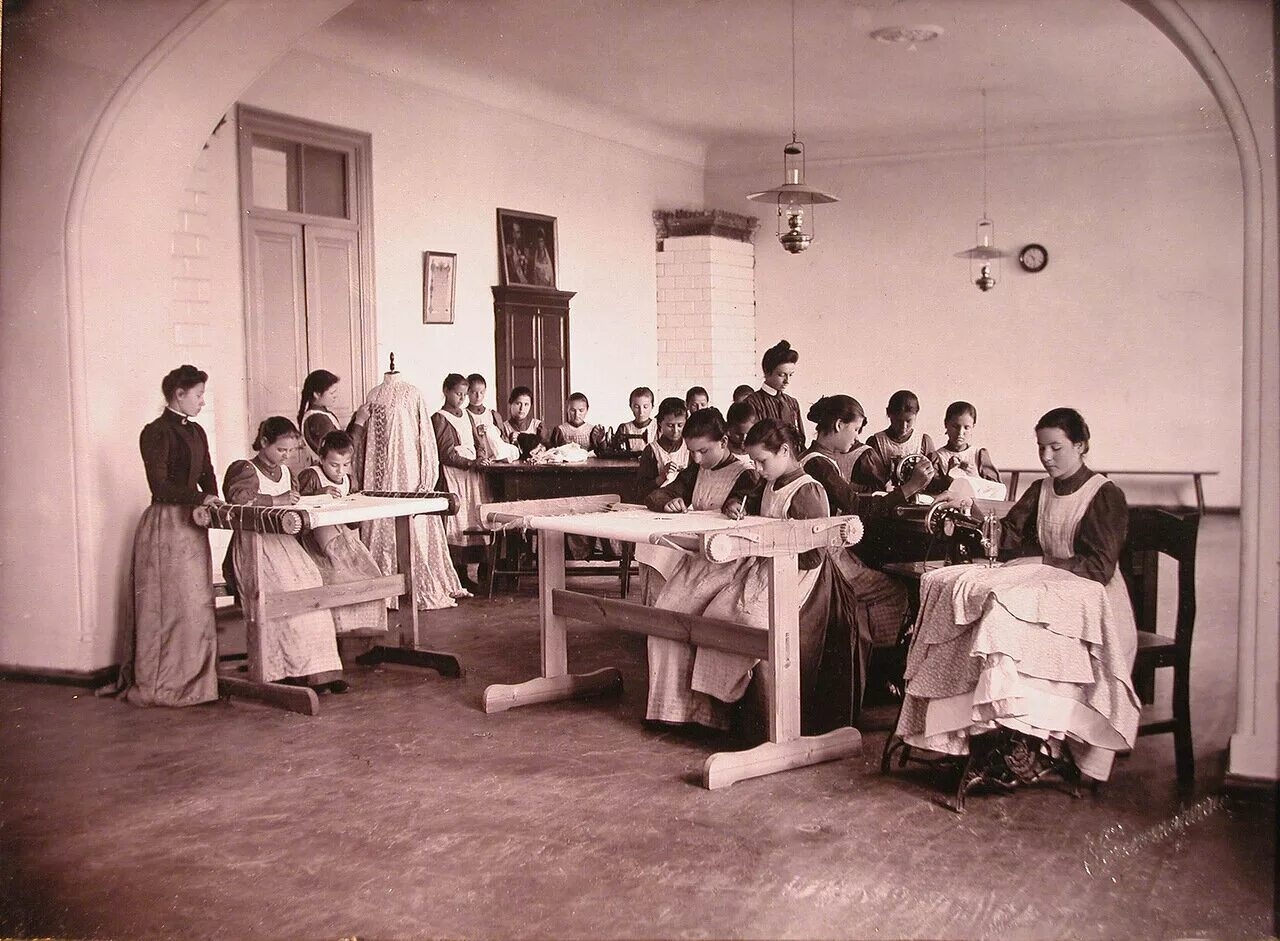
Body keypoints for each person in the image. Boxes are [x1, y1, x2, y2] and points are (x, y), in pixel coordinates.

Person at [895, 407, 1139, 782]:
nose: (1046, 457)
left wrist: (1041, 561)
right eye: (1041, 447)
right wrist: (972, 515)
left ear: (1080, 445)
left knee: (1009, 635)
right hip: (1053, 599)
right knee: (993, 625)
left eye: (1055, 447)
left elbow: (1099, 567)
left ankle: (1036, 745)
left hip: (1096, 610)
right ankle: (989, 737)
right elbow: (1007, 535)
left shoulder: (1104, 494)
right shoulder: (1041, 489)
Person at [647, 418, 856, 735]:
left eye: (762, 461)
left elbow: (813, 556)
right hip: (765, 568)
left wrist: (768, 543)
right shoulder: (771, 481)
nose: (757, 469)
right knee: (715, 616)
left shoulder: (808, 490)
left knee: (740, 621)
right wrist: (735, 505)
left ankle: (763, 724)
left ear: (784, 451)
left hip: (797, 578)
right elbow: (749, 502)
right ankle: (723, 715)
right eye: (754, 461)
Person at [802, 395, 937, 712]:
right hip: (827, 562)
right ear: (839, 425)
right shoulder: (819, 464)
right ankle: (881, 675)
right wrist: (909, 488)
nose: (857, 437)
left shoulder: (813, 458)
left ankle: (871, 672)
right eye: (855, 429)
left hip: (826, 556)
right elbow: (855, 506)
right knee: (896, 591)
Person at [102, 365, 222, 706]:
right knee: (169, 606)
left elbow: (207, 473)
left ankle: (198, 682)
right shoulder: (155, 432)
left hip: (193, 525)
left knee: (194, 604)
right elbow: (160, 486)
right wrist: (201, 498)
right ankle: (164, 684)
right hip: (166, 527)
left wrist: (214, 501)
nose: (202, 402)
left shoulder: (197, 431)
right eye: (198, 395)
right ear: (178, 395)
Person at [641, 408, 760, 723]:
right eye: (691, 451)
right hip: (699, 561)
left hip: (731, 566)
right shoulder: (696, 470)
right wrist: (667, 502)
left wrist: (734, 506)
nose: (696, 458)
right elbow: (656, 495)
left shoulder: (746, 474)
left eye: (703, 451)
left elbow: (745, 502)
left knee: (698, 624)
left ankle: (705, 715)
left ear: (724, 442)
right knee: (664, 617)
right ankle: (669, 712)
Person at [222, 417, 347, 693]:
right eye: (281, 450)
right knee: (287, 590)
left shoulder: (288, 474)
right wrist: (274, 501)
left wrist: (319, 495)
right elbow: (237, 500)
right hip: (256, 548)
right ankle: (288, 669)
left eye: (291, 451)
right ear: (263, 442)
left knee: (312, 583)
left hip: (286, 546)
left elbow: (296, 502)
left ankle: (320, 671)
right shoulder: (245, 469)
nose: (286, 456)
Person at [352, 365, 466, 608]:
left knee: (413, 526)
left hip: (407, 470)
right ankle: (384, 589)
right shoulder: (373, 394)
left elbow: (426, 437)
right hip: (378, 475)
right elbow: (365, 443)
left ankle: (418, 585)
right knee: (381, 522)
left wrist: (427, 476)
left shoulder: (412, 394)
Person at [297, 430, 387, 636]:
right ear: (321, 459)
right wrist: (319, 495)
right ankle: (337, 629)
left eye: (346, 465)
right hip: (317, 543)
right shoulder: (311, 476)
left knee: (367, 572)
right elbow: (296, 508)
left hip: (345, 538)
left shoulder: (349, 480)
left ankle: (361, 628)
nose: (340, 471)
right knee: (339, 577)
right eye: (334, 465)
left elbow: (354, 523)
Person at [432, 373, 493, 590]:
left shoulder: (467, 415)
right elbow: (446, 454)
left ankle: (479, 572)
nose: (461, 398)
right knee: (457, 521)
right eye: (458, 394)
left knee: (473, 518)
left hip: (472, 476)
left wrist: (481, 456)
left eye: (464, 395)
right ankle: (458, 575)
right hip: (455, 476)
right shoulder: (440, 418)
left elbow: (477, 441)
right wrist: (470, 463)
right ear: (446, 391)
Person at [860, 390, 935, 491]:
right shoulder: (876, 442)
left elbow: (932, 478)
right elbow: (872, 480)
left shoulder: (924, 442)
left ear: (916, 414)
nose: (903, 427)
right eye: (898, 421)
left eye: (908, 421)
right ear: (889, 414)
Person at [743, 340, 806, 448]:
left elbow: (801, 439)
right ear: (767, 372)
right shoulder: (752, 403)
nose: (787, 381)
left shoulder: (792, 403)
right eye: (782, 375)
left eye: (790, 375)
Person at [930, 400, 1000, 483]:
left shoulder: (979, 455)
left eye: (966, 427)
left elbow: (997, 487)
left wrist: (976, 476)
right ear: (946, 424)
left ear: (973, 427)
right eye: (955, 426)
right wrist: (948, 477)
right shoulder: (937, 458)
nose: (960, 433)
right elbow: (934, 488)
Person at [636, 396, 689, 498]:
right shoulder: (651, 451)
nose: (675, 431)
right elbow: (641, 491)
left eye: (680, 425)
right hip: (658, 501)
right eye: (670, 425)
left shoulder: (689, 449)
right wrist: (662, 476)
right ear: (660, 423)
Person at [465, 373, 518, 463]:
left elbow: (503, 439)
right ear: (467, 392)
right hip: (478, 460)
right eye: (474, 392)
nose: (478, 396)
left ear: (485, 391)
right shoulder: (465, 414)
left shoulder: (493, 414)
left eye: (481, 392)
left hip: (497, 459)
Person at [297, 369, 343, 465]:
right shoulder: (318, 419)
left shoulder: (320, 414)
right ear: (316, 394)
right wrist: (359, 422)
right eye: (332, 393)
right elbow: (341, 451)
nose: (335, 396)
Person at [498, 385, 545, 457]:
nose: (522, 408)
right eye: (518, 403)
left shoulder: (537, 426)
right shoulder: (503, 428)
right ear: (510, 403)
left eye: (526, 404)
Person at [609, 386, 655, 454]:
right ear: (631, 406)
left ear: (652, 406)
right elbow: (613, 451)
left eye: (645, 407)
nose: (641, 412)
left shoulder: (658, 428)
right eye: (636, 407)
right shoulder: (624, 428)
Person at [725, 400, 757, 467]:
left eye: (749, 433)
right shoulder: (722, 454)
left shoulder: (760, 452)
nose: (744, 438)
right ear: (728, 429)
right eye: (739, 434)